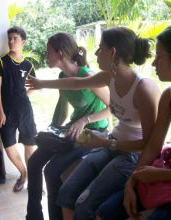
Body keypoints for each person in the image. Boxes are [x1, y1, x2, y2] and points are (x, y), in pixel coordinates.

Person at [26, 27, 160, 220]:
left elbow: (149, 144)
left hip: (128, 155)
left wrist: (105, 142)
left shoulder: (144, 89)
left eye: (100, 48)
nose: (95, 53)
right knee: (66, 193)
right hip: (109, 145)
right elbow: (75, 83)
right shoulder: (110, 77)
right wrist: (41, 83)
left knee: (83, 204)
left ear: (112, 52)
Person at [94, 24, 171, 220]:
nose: (153, 64)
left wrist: (160, 175)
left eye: (159, 57)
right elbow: (154, 144)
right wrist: (132, 180)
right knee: (104, 212)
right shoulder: (169, 95)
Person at [26, 32, 111, 220]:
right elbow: (62, 110)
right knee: (34, 162)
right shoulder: (61, 76)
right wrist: (49, 133)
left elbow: (113, 108)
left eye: (49, 52)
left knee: (52, 170)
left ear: (61, 53)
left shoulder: (87, 75)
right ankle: (33, 215)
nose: (46, 56)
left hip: (94, 133)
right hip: (72, 131)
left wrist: (84, 120)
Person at [0, 26, 37, 192]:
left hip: (25, 110)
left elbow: (35, 86)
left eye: (15, 39)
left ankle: (33, 180)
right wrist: (0, 111)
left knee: (29, 144)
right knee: (9, 145)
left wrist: (24, 97)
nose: (11, 41)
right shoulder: (0, 62)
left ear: (23, 42)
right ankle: (23, 173)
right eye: (9, 38)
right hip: (6, 111)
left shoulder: (28, 64)